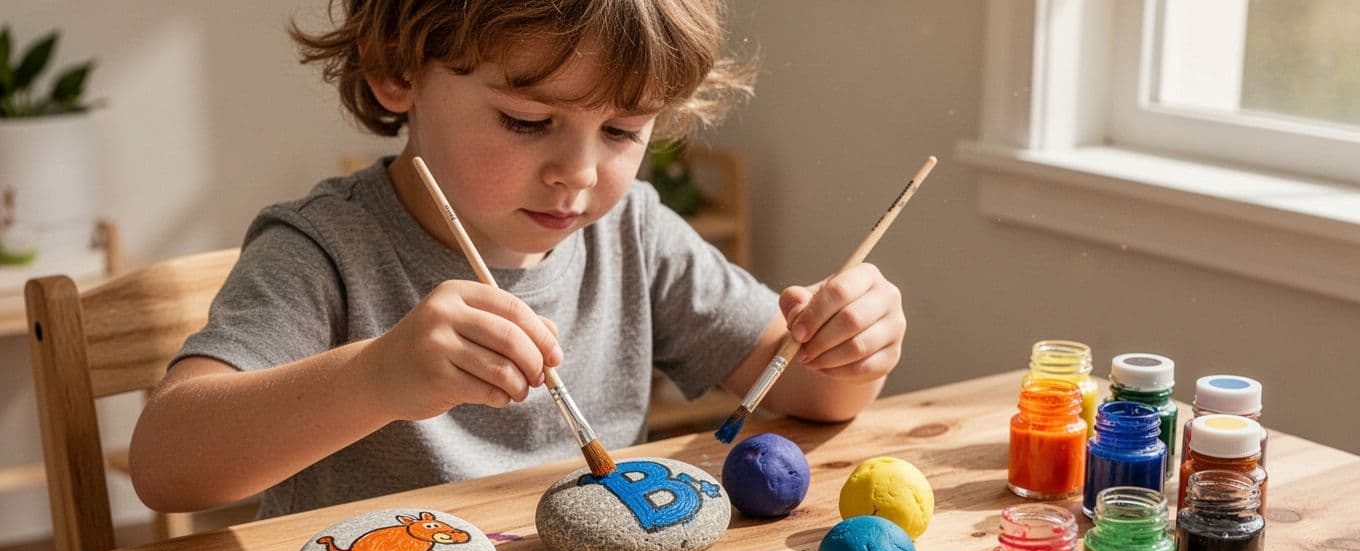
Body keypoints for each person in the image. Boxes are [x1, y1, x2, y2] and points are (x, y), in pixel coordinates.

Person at [129, 0, 908, 519]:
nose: (579, 171)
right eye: (528, 120)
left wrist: (848, 347)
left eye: (623, 131)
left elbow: (808, 392)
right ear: (396, 70)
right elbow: (168, 466)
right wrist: (380, 377)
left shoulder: (633, 230)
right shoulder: (326, 250)